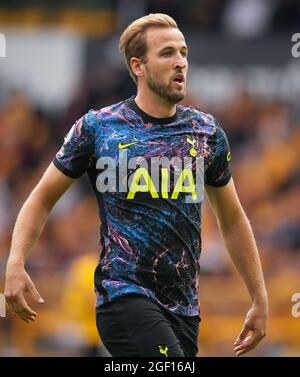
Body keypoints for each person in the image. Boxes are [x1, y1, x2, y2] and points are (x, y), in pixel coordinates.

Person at [4, 13, 268, 357]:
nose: (180, 63)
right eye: (167, 53)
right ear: (138, 66)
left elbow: (232, 219)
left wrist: (259, 297)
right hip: (123, 297)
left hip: (184, 310)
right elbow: (41, 198)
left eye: (184, 53)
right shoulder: (98, 127)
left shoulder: (206, 133)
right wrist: (16, 261)